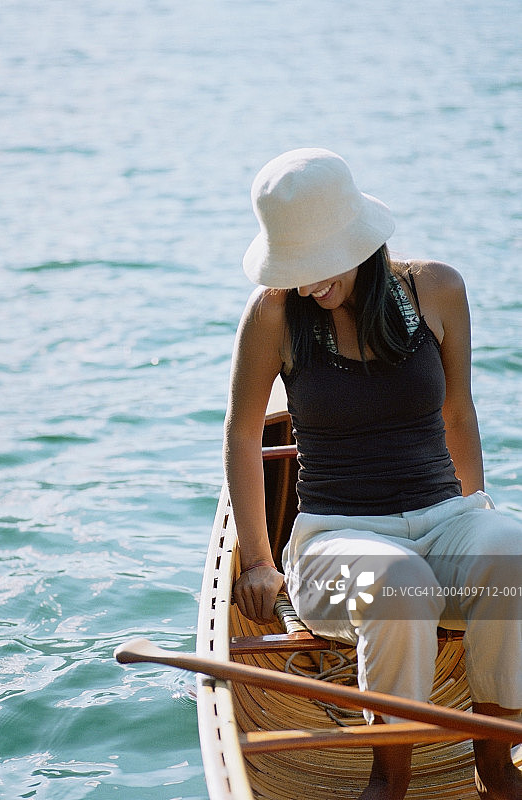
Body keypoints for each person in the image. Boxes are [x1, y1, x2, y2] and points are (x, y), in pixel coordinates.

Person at [225, 148, 522, 800]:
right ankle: (389, 776)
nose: (304, 286)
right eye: (292, 268)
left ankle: (495, 762)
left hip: (446, 517)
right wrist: (255, 559)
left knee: (510, 553)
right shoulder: (273, 314)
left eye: (313, 265)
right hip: (337, 540)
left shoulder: (436, 288)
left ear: (357, 240)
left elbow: (459, 414)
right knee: (400, 583)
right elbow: (245, 435)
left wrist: (478, 531)